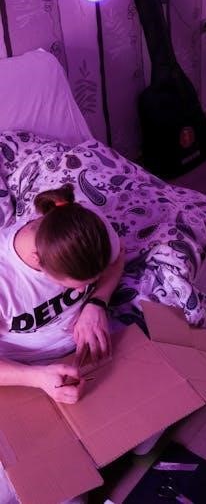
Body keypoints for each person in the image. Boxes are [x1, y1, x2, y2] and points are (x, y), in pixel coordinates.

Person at [0, 183, 124, 503]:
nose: (81, 291)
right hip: (18, 371)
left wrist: (97, 302)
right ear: (37, 262)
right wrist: (37, 378)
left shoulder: (87, 228)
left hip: (79, 357)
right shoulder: (5, 281)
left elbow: (116, 259)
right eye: (75, 286)